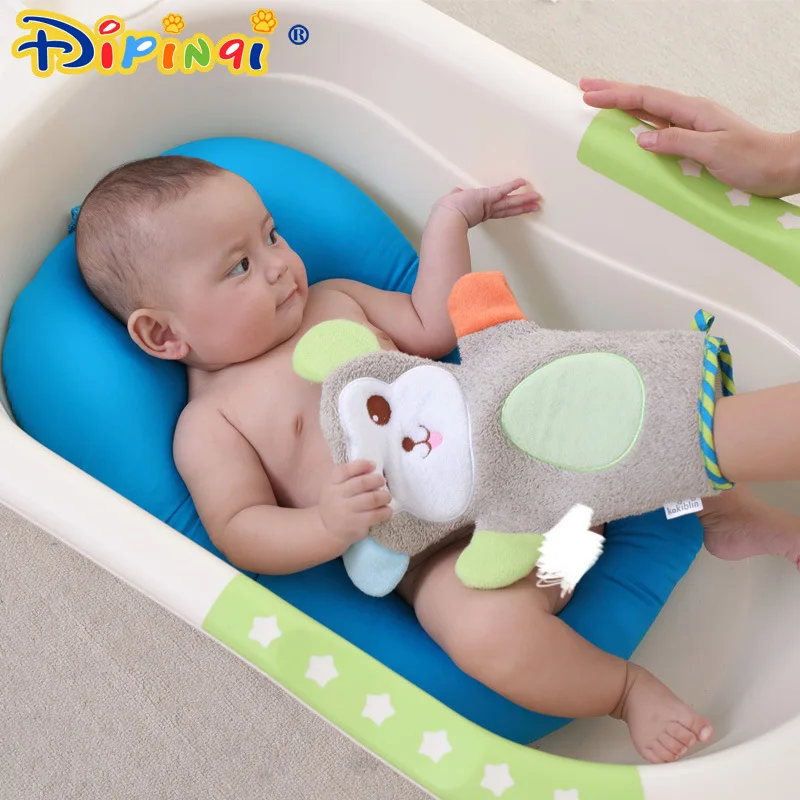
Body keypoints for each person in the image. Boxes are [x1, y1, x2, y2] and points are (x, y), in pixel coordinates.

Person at [72, 153, 796, 765]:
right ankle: (624, 691)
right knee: (480, 632)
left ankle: (719, 509)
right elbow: (240, 530)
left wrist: (451, 221)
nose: (279, 267)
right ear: (162, 335)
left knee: (608, 410)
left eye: (272, 235)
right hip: (459, 558)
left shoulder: (333, 300)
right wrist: (326, 524)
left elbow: (433, 324)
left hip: (533, 464)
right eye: (239, 266)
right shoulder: (211, 424)